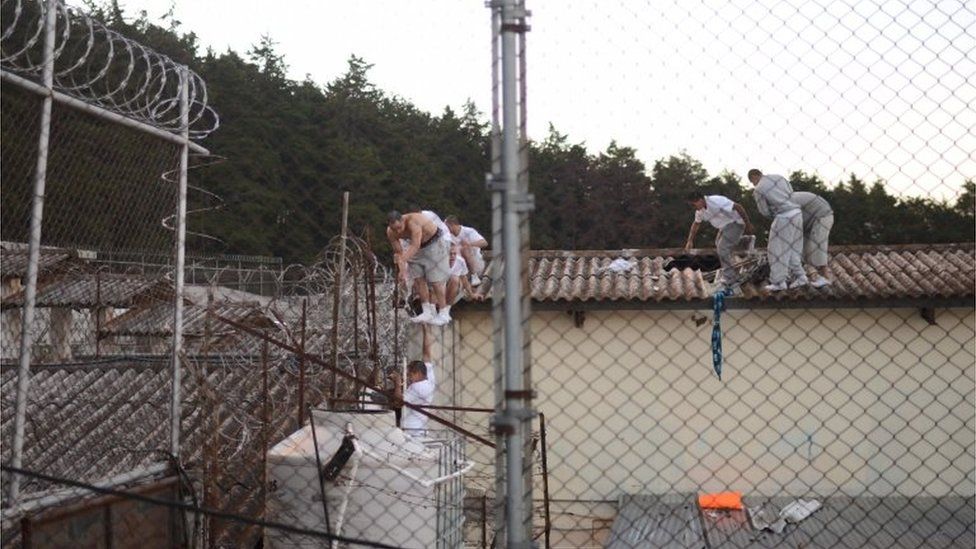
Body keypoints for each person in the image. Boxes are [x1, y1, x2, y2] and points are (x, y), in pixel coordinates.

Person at [386, 210, 452, 325]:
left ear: (402, 220)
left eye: (399, 227)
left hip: (434, 243)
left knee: (436, 281)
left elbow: (415, 245)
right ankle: (427, 311)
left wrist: (403, 260)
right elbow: (399, 251)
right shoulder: (390, 232)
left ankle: (443, 312)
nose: (398, 231)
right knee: (418, 279)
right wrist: (402, 270)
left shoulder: (414, 221)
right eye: (394, 228)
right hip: (416, 249)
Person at [748, 169, 807, 291]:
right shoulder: (779, 177)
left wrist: (774, 215)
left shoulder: (758, 189)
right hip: (797, 214)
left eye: (752, 182)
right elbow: (792, 193)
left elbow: (764, 211)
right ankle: (801, 276)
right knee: (793, 249)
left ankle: (779, 282)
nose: (754, 185)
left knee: (776, 250)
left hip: (783, 217)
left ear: (753, 178)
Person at [684, 192, 755, 290]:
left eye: (693, 204)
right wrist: (690, 241)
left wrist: (748, 224)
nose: (693, 207)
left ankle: (730, 277)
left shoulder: (716, 201)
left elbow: (738, 207)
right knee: (718, 245)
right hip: (723, 227)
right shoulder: (700, 211)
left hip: (736, 222)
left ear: (700, 200)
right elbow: (696, 224)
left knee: (722, 248)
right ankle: (744, 241)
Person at [397, 325, 436, 435]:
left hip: (411, 432)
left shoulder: (417, 387)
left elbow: (398, 401)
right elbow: (427, 354)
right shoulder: (429, 379)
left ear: (418, 373)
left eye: (410, 374)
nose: (409, 377)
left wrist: (396, 382)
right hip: (420, 429)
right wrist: (425, 330)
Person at [792, 191, 834, 288]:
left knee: (817, 247)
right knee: (804, 252)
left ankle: (827, 278)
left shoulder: (786, 202)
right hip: (809, 223)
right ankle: (805, 278)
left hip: (822, 216)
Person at [444, 216, 488, 286]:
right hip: (459, 266)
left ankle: (474, 276)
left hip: (475, 263)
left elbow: (484, 243)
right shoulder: (447, 235)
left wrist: (469, 244)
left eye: (447, 226)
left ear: (452, 225)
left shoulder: (469, 231)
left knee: (464, 248)